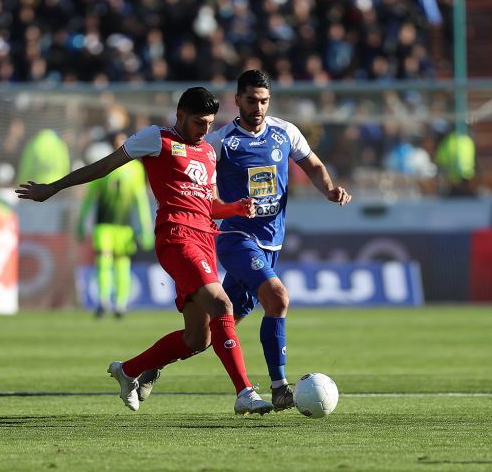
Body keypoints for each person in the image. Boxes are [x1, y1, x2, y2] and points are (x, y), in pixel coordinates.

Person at [16, 87, 274, 415]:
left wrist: (235, 208)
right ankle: (244, 392)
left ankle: (128, 370)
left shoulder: (209, 152)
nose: (205, 129)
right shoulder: (156, 138)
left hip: (205, 241)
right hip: (177, 237)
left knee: (199, 339)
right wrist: (54, 187)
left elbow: (209, 204)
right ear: (180, 116)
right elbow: (105, 166)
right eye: (199, 122)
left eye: (209, 123)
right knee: (222, 304)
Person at [137, 70, 352, 412]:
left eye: (264, 101)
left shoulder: (286, 132)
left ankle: (152, 365)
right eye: (251, 100)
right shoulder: (220, 141)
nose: (258, 107)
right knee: (278, 298)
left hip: (271, 244)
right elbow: (203, 188)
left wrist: (329, 189)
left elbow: (312, 164)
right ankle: (279, 387)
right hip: (236, 238)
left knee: (212, 333)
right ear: (237, 100)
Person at [77, 130, 155, 318]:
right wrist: (81, 221)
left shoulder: (135, 169)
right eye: (117, 141)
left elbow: (140, 200)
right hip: (103, 225)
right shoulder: (103, 165)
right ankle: (103, 301)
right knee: (103, 262)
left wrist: (146, 226)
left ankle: (120, 304)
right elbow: (90, 197)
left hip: (124, 227)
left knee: (122, 264)